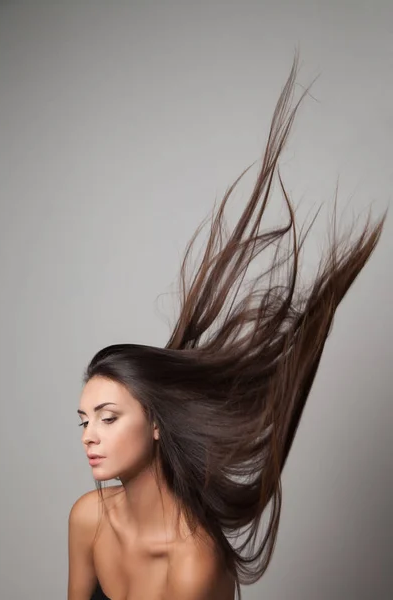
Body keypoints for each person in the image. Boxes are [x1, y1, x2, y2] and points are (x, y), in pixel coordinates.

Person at [67, 51, 387, 600]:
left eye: (108, 417)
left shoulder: (196, 560)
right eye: (83, 421)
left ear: (158, 422)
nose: (90, 436)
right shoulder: (87, 518)